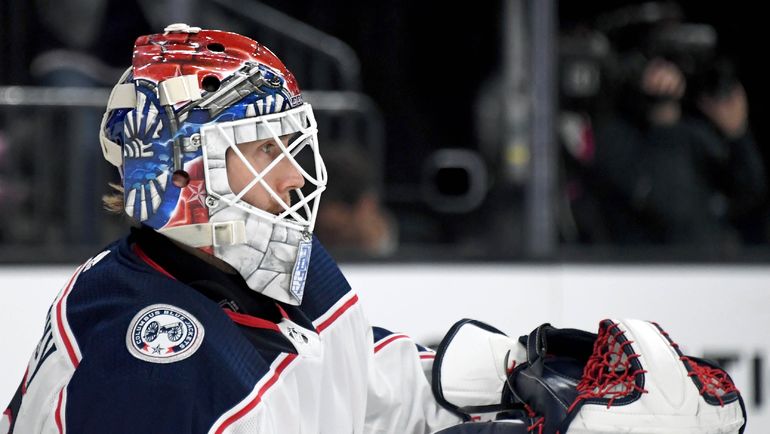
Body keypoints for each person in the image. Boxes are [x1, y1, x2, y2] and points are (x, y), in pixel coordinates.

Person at [2, 24, 461, 433]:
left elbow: (358, 381)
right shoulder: (153, 373)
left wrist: (499, 374)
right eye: (265, 149)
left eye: (288, 145)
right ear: (181, 171)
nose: (293, 175)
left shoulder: (255, 261)